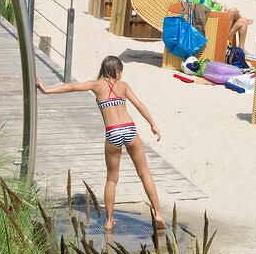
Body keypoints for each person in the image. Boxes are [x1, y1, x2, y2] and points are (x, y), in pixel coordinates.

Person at [36, 56, 165, 231]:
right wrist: (153, 124)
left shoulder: (96, 85)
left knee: (112, 179)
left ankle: (109, 220)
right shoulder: (124, 86)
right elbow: (140, 105)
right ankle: (158, 213)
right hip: (129, 129)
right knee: (144, 174)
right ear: (117, 71)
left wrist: (47, 90)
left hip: (113, 132)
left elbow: (72, 87)